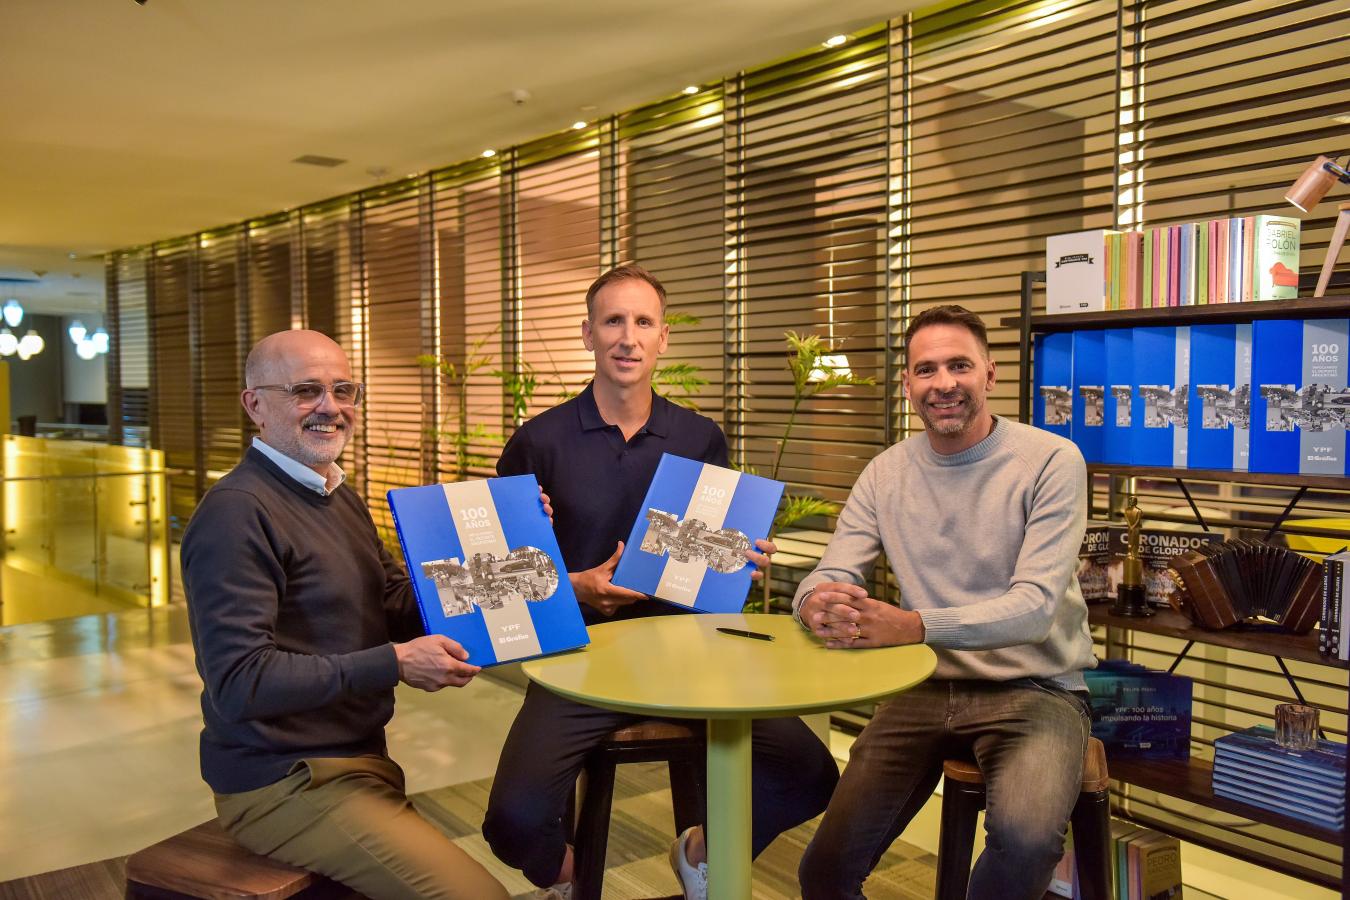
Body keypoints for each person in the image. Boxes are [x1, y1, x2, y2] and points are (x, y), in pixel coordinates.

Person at [482, 265, 839, 900]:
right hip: (580, 662)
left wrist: (739, 556)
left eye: (643, 322)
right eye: (613, 321)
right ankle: (568, 878)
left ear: (663, 338)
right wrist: (578, 585)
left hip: (687, 657)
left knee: (810, 772)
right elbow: (506, 582)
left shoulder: (700, 437)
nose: (628, 337)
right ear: (587, 333)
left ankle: (699, 852)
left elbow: (709, 563)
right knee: (512, 821)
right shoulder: (538, 441)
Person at [181, 329, 511, 900]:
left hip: (355, 760)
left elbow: (396, 603)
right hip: (285, 781)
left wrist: (522, 556)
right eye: (305, 390)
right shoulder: (237, 514)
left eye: (343, 389)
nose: (330, 408)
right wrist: (395, 664)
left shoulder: (334, 492)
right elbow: (239, 681)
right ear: (255, 405)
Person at [793, 305, 1095, 900]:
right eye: (925, 370)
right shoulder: (885, 473)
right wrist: (814, 602)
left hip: (1035, 689)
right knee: (822, 872)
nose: (944, 383)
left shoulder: (1052, 460)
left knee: (1027, 841)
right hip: (925, 685)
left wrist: (914, 625)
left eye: (959, 365)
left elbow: (1034, 609)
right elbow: (831, 569)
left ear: (990, 373)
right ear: (908, 385)